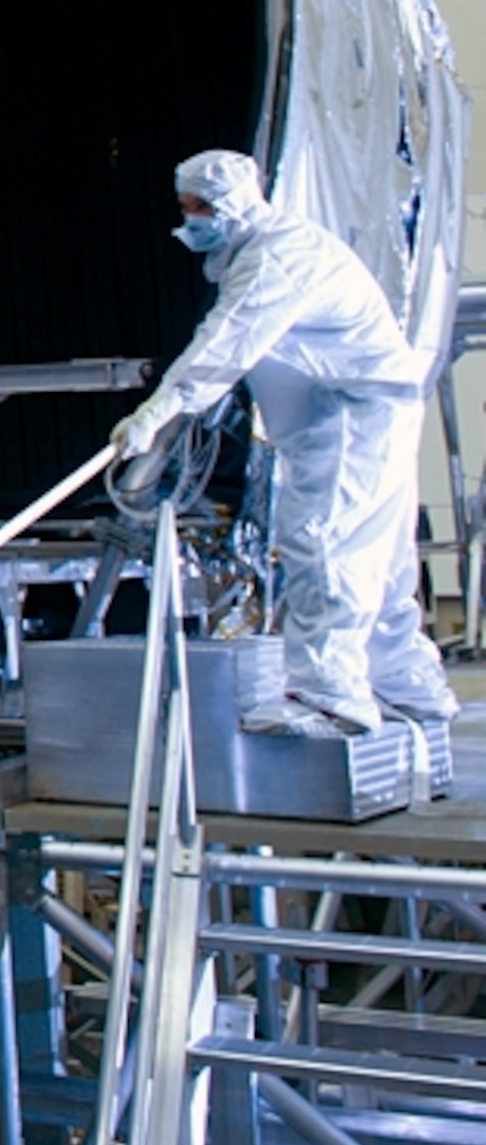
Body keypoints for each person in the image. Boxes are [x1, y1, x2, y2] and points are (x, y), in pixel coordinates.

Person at [111, 150, 459, 736]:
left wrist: (158, 410)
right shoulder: (263, 250)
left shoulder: (279, 259)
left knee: (324, 543)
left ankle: (331, 698)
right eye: (185, 206)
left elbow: (227, 344)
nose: (189, 218)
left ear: (234, 203)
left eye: (200, 207)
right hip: (364, 410)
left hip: (346, 414)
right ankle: (408, 688)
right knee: (381, 559)